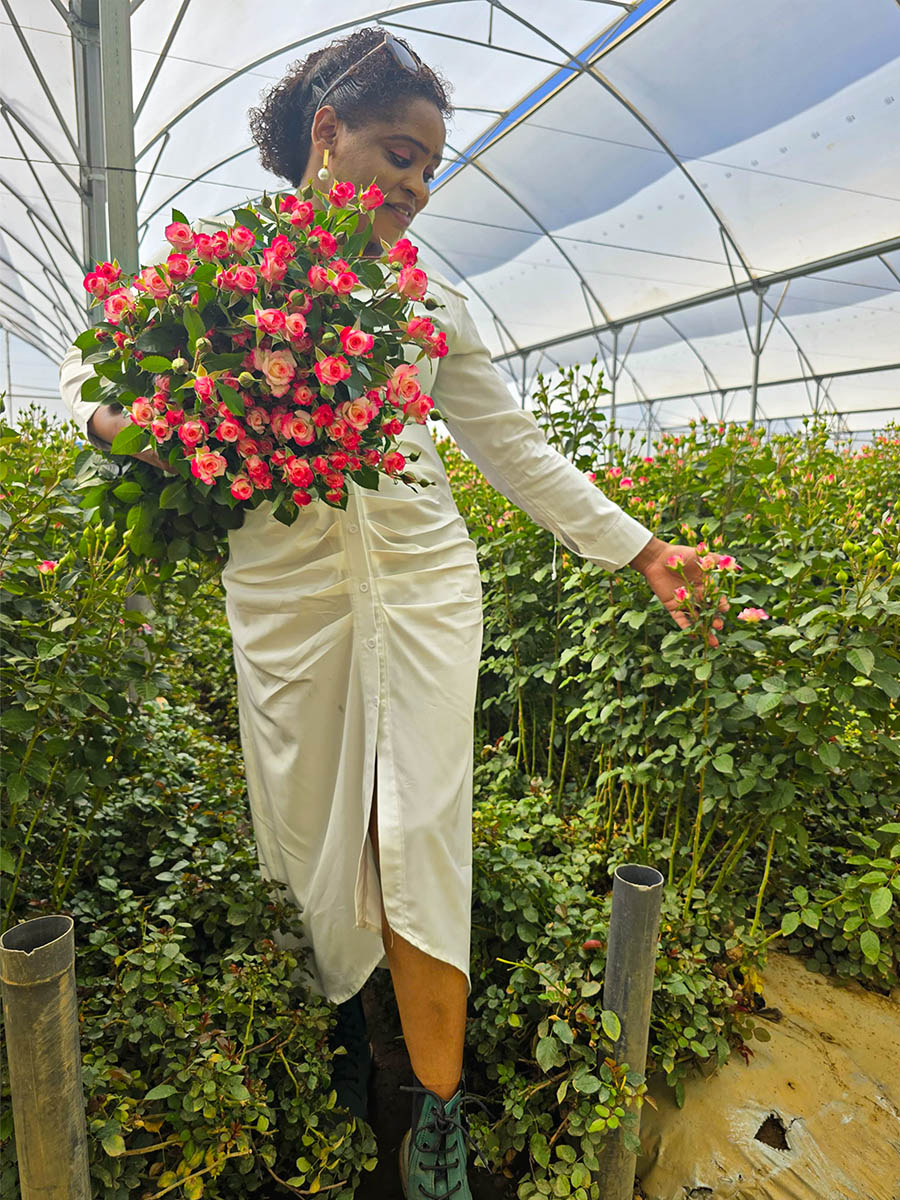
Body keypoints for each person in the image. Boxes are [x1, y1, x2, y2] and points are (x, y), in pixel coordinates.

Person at [59, 25, 728, 1199]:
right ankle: (342, 1042)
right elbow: (89, 370)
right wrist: (148, 424)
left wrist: (643, 550)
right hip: (285, 601)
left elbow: (515, 452)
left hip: (424, 585)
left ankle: (437, 1122)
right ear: (329, 135)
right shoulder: (221, 266)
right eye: (398, 153)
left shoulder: (432, 306)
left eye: (430, 166)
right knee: (312, 843)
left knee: (418, 836)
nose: (416, 186)